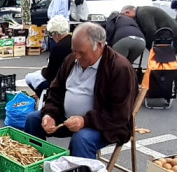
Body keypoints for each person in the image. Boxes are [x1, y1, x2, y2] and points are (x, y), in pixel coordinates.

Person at [24, 23, 137, 158]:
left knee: (82, 138)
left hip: (104, 125)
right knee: (33, 119)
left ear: (99, 46)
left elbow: (119, 114)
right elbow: (55, 92)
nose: (76, 56)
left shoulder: (119, 68)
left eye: (81, 52)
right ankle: (34, 166)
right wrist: (50, 113)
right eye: (74, 51)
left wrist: (85, 121)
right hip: (66, 118)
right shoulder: (71, 60)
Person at [25, 16, 72, 97]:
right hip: (71, 79)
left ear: (56, 34)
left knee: (28, 78)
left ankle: (45, 97)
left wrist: (43, 70)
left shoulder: (58, 48)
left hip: (59, 82)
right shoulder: (74, 40)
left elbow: (50, 74)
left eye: (51, 34)